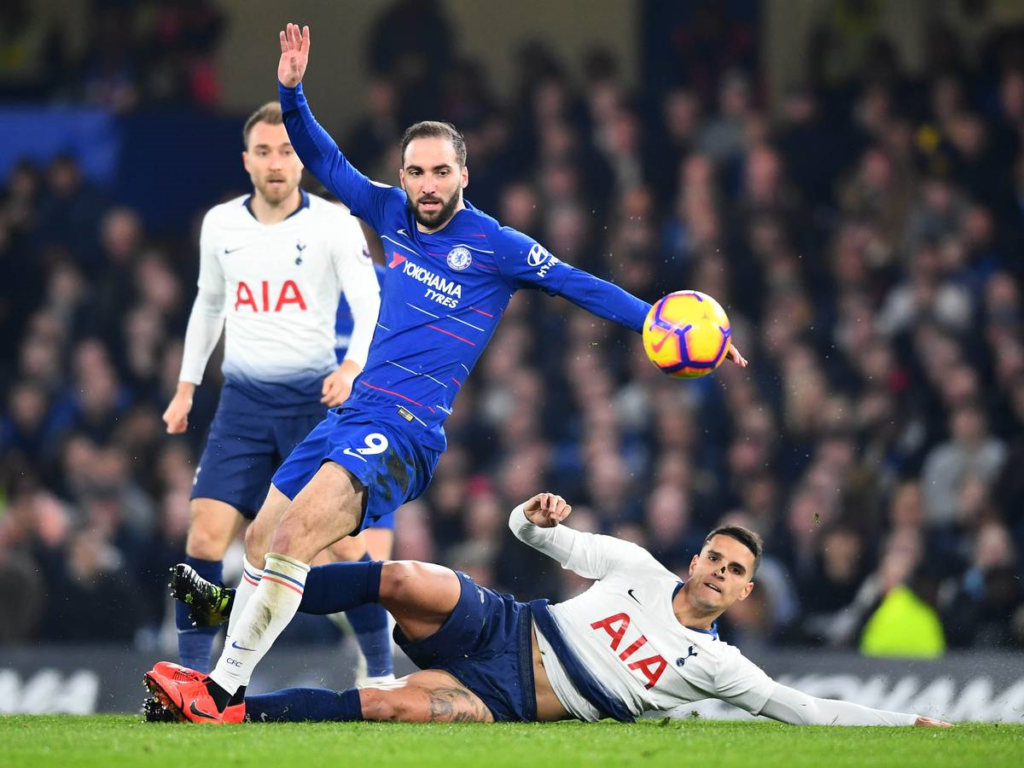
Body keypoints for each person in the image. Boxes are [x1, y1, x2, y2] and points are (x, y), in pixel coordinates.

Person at [144, 22, 749, 724]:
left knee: (287, 541)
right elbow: (326, 158)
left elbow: (579, 283)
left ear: (464, 174)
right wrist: (291, 90)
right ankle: (256, 662)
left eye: (440, 171)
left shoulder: (496, 245)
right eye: (415, 171)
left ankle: (221, 693)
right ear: (402, 175)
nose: (427, 185)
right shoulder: (390, 213)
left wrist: (658, 322)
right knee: (259, 541)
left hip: (403, 429)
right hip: (350, 415)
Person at [147, 492, 952, 727]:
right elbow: (529, 536)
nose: (717, 570)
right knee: (402, 576)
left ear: (745, 594)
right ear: (696, 556)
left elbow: (803, 709)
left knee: (386, 706)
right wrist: (538, 518)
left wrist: (905, 727)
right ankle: (232, 604)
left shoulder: (719, 667)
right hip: (506, 623)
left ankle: (227, 716)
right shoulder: (636, 568)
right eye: (713, 554)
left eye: (735, 570)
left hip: (508, 699)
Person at [160, 100, 387, 679]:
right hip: (241, 403)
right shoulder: (220, 225)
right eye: (264, 151)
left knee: (340, 547)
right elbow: (209, 304)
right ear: (247, 160)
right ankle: (192, 674)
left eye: (287, 150)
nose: (276, 162)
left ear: (301, 160)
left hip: (315, 404)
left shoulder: (333, 221)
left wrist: (352, 367)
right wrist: (186, 387)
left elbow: (369, 301)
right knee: (206, 534)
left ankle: (381, 667)